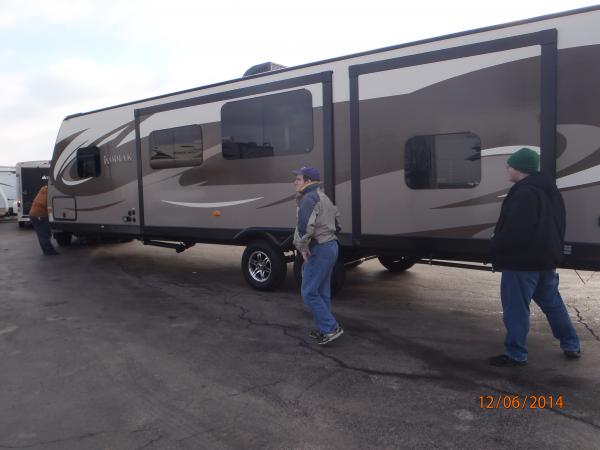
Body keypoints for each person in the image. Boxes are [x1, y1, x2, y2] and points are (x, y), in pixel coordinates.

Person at [489, 147, 580, 366]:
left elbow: (517, 231)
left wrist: (495, 243)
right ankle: (571, 343)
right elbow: (558, 225)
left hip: (522, 262)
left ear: (519, 168)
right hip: (546, 259)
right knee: (552, 304)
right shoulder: (549, 190)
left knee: (516, 309)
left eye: (509, 166)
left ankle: (515, 354)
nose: (507, 170)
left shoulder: (524, 193)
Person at [293, 166, 343, 345]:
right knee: (322, 292)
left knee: (308, 292)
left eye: (298, 179)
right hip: (331, 246)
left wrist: (303, 248)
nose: (295, 182)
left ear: (307, 181)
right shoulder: (324, 197)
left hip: (320, 249)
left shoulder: (309, 198)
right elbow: (337, 224)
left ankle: (331, 327)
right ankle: (325, 330)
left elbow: (304, 228)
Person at [29, 185, 59, 256]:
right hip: (39, 215)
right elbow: (49, 206)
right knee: (43, 234)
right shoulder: (48, 194)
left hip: (35, 215)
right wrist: (52, 219)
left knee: (45, 233)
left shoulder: (44, 190)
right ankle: (48, 251)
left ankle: (47, 250)